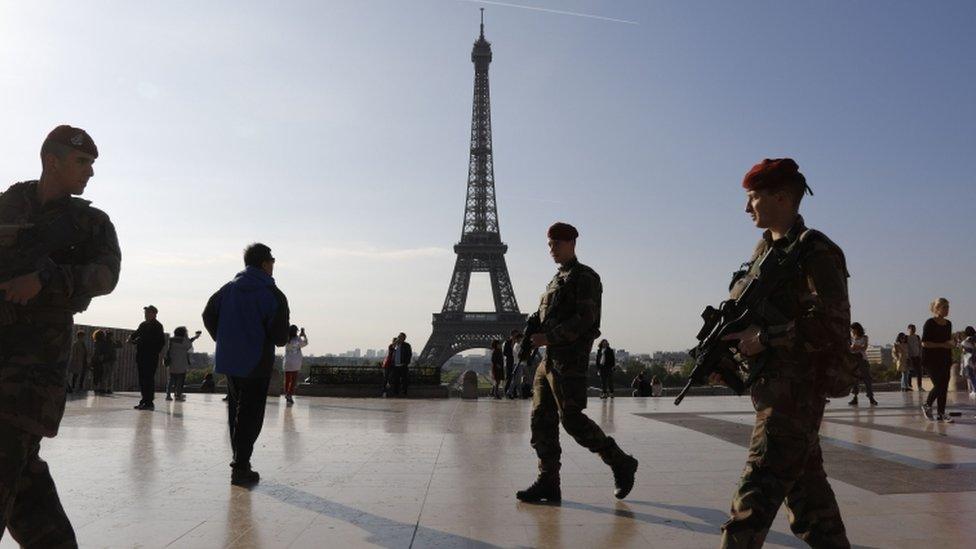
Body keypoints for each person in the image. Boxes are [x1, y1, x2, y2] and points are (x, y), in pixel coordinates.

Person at [710, 159, 850, 547]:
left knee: (752, 499)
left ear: (782, 197)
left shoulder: (817, 252)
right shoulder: (763, 252)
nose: (746, 207)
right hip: (773, 388)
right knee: (811, 504)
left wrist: (766, 338)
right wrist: (732, 358)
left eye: (753, 197)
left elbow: (834, 328)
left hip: (796, 393)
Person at [0, 125, 120, 547]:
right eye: (82, 162)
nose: (89, 173)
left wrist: (45, 280)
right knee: (26, 488)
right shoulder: (7, 205)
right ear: (53, 161)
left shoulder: (90, 224)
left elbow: (106, 276)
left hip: (30, 380)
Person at [516, 222, 638, 504]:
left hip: (569, 361)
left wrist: (548, 337)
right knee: (541, 422)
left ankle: (620, 461)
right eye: (549, 244)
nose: (552, 249)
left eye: (556, 244)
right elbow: (545, 316)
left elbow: (585, 321)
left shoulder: (585, 277)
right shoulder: (556, 280)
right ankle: (548, 481)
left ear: (571, 243)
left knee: (571, 420)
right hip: (549, 362)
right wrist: (533, 329)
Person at [202, 242, 290, 486]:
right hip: (256, 363)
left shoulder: (228, 289)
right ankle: (240, 467)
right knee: (251, 415)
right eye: (272, 262)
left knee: (236, 411)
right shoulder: (273, 294)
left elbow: (208, 314)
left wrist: (225, 338)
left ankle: (240, 462)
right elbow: (281, 338)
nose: (273, 267)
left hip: (230, 361)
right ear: (264, 264)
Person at [921, 298, 954, 422]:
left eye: (948, 307)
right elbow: (924, 343)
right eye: (944, 307)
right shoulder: (930, 323)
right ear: (937, 308)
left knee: (944, 386)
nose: (947, 310)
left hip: (945, 358)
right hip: (930, 360)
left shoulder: (948, 324)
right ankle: (927, 405)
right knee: (939, 385)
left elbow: (947, 341)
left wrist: (950, 344)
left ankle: (941, 413)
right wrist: (942, 345)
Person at [128, 305, 165, 410]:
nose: (145, 315)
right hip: (141, 356)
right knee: (142, 379)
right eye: (145, 313)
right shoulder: (143, 324)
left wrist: (154, 352)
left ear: (154, 314)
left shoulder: (157, 326)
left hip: (150, 357)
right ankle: (144, 400)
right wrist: (131, 338)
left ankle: (149, 402)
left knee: (148, 379)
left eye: (148, 313)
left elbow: (160, 342)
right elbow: (137, 333)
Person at [164, 327, 201, 401]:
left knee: (171, 380)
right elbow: (189, 345)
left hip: (172, 363)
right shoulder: (184, 340)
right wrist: (193, 337)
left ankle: (168, 395)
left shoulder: (171, 340)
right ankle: (178, 394)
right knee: (180, 380)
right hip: (181, 364)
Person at [848, 322, 878, 407]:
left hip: (862, 360)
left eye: (853, 329)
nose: (852, 331)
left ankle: (871, 397)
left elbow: (864, 348)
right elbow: (849, 348)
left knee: (867, 379)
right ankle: (855, 397)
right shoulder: (851, 338)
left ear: (857, 329)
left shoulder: (864, 337)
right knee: (854, 380)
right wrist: (855, 347)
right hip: (853, 360)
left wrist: (855, 347)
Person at [282, 325, 307, 404]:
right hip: (296, 362)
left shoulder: (286, 339)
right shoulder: (298, 339)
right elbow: (304, 343)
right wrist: (304, 335)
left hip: (287, 362)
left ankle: (286, 393)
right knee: (293, 380)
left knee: (287, 380)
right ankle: (289, 394)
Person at [93, 330, 120, 395]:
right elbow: (119, 345)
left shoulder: (105, 342)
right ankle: (108, 388)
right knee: (108, 375)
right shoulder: (109, 342)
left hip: (107, 360)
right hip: (109, 360)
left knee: (105, 375)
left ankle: (104, 388)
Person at [391, 332, 412, 397]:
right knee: (395, 380)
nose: (399, 338)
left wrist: (406, 363)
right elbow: (390, 349)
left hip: (403, 366)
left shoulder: (407, 345)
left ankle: (404, 393)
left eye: (400, 337)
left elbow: (409, 355)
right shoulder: (395, 345)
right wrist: (394, 343)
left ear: (404, 338)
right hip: (395, 366)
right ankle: (396, 393)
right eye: (398, 336)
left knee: (404, 380)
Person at [502, 330, 521, 398]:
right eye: (516, 335)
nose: (517, 337)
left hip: (516, 362)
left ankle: (514, 393)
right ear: (512, 335)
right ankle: (507, 392)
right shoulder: (507, 343)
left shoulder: (518, 343)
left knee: (516, 378)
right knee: (509, 377)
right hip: (510, 362)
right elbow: (505, 353)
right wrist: (512, 354)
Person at [906, 323, 924, 392]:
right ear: (908, 329)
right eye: (911, 329)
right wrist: (908, 356)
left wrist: (920, 355)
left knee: (919, 372)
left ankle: (919, 386)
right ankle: (909, 386)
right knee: (910, 372)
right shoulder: (906, 337)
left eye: (914, 329)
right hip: (910, 357)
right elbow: (905, 347)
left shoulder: (917, 337)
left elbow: (920, 346)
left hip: (917, 357)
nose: (913, 330)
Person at [960, 326, 976, 399]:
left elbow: (962, 345)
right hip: (972, 360)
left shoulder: (968, 340)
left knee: (971, 376)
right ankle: (973, 390)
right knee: (972, 376)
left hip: (968, 361)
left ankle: (974, 390)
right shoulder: (973, 339)